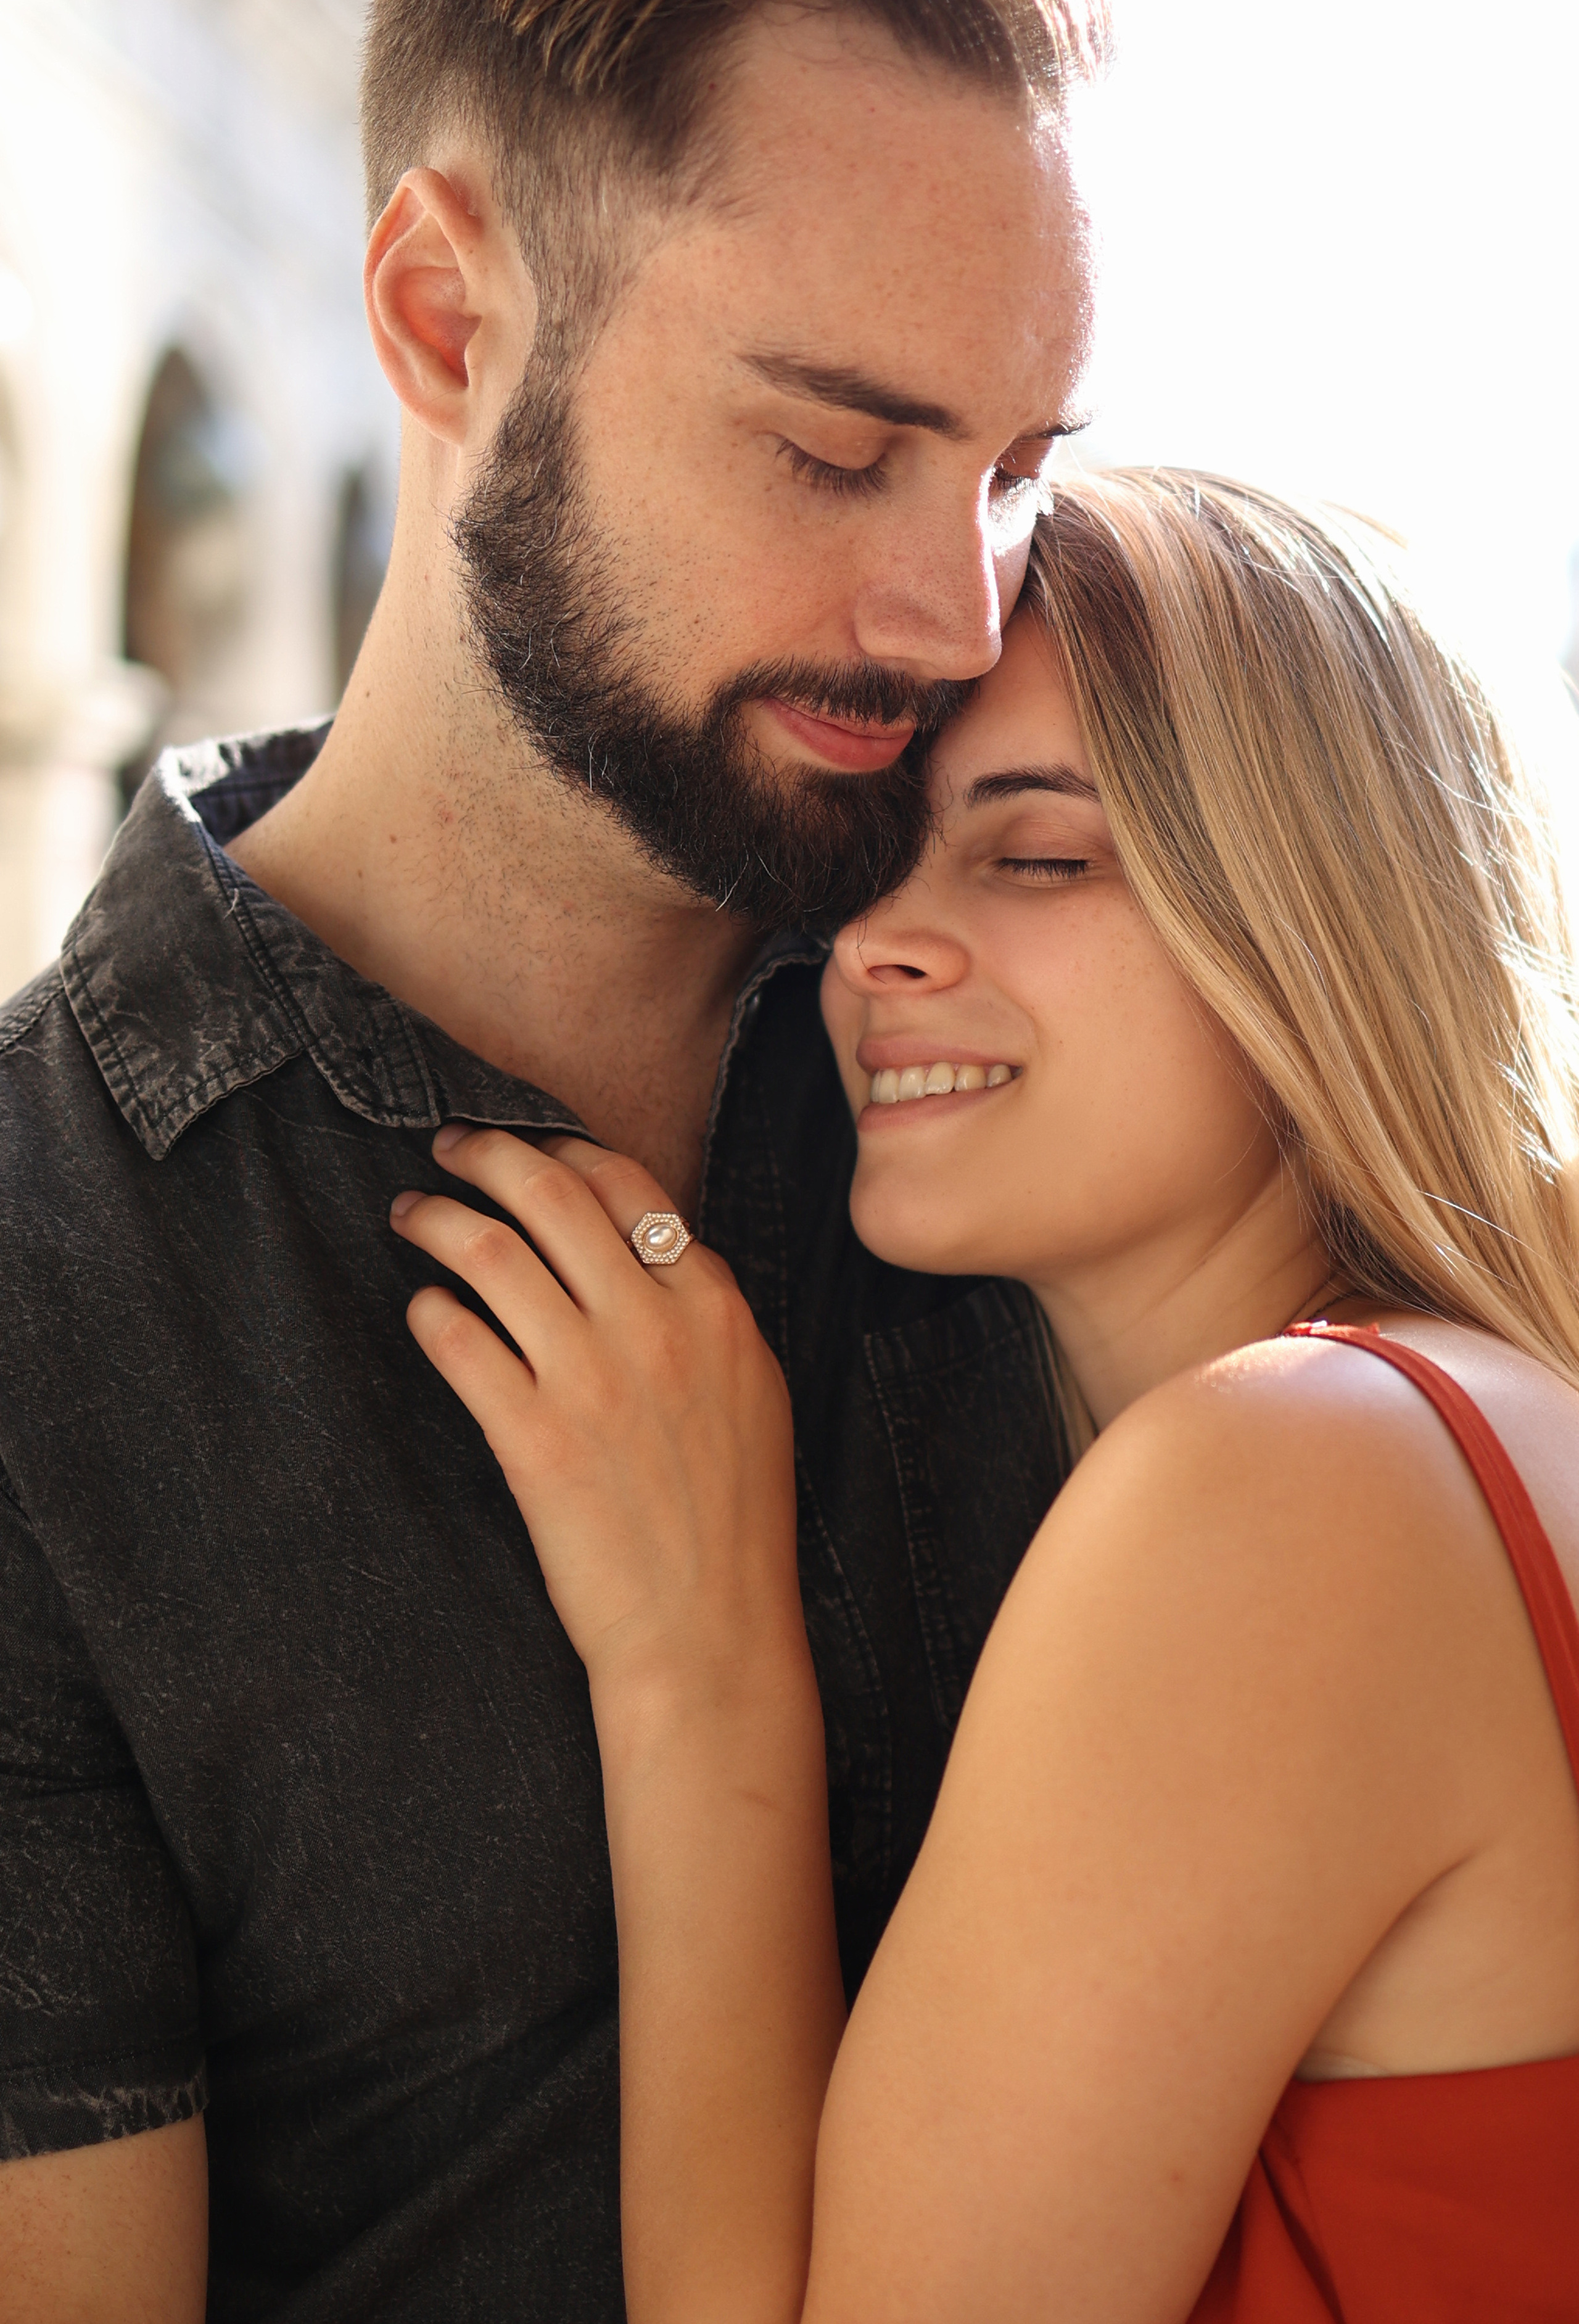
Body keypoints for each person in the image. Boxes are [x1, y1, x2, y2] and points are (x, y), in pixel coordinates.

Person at [0, 0, 1111, 2317]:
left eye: (1020, 474)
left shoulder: (1085, 1073)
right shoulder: (35, 1298)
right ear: (439, 315)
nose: (952, 614)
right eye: (831, 449)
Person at [394, 471, 1579, 2321]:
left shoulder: (1295, 1483)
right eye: (875, 864)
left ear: (1313, 915)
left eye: (1036, 858)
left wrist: (700, 1671)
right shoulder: (1475, 1435)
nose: (876, 946)